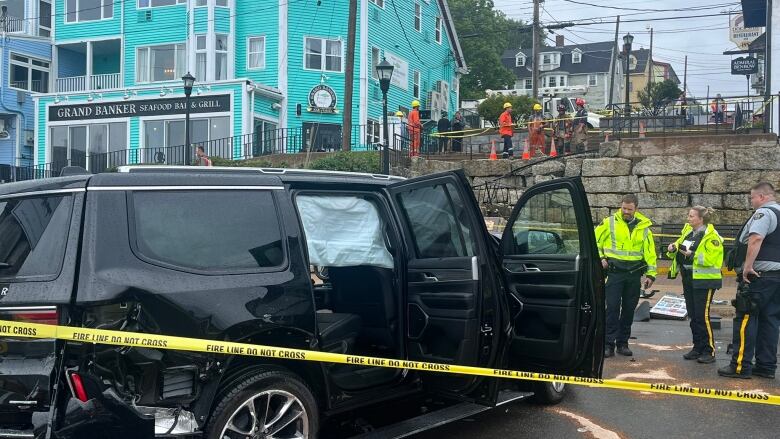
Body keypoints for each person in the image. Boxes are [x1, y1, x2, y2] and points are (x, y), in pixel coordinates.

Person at [718, 182, 780, 379]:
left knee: (746, 318)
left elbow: (755, 239)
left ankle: (740, 366)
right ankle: (766, 366)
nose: (751, 202)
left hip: (758, 277)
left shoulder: (764, 213)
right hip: (776, 278)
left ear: (762, 197)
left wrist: (747, 267)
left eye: (752, 198)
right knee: (770, 321)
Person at [595, 194, 657, 358]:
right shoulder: (609, 223)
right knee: (612, 309)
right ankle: (608, 344)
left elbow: (650, 253)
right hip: (614, 273)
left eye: (629, 209)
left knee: (629, 310)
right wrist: (601, 258)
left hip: (634, 275)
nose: (626, 212)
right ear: (620, 206)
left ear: (636, 209)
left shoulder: (644, 228)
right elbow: (595, 241)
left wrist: (651, 274)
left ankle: (623, 343)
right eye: (624, 208)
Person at [667, 206, 724, 364]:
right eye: (689, 215)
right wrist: (672, 248)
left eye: (692, 216)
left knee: (702, 316)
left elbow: (712, 260)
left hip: (704, 281)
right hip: (689, 279)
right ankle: (697, 347)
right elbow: (678, 248)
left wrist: (693, 255)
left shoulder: (712, 237)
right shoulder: (688, 233)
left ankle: (709, 350)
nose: (688, 218)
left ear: (701, 219)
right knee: (693, 315)